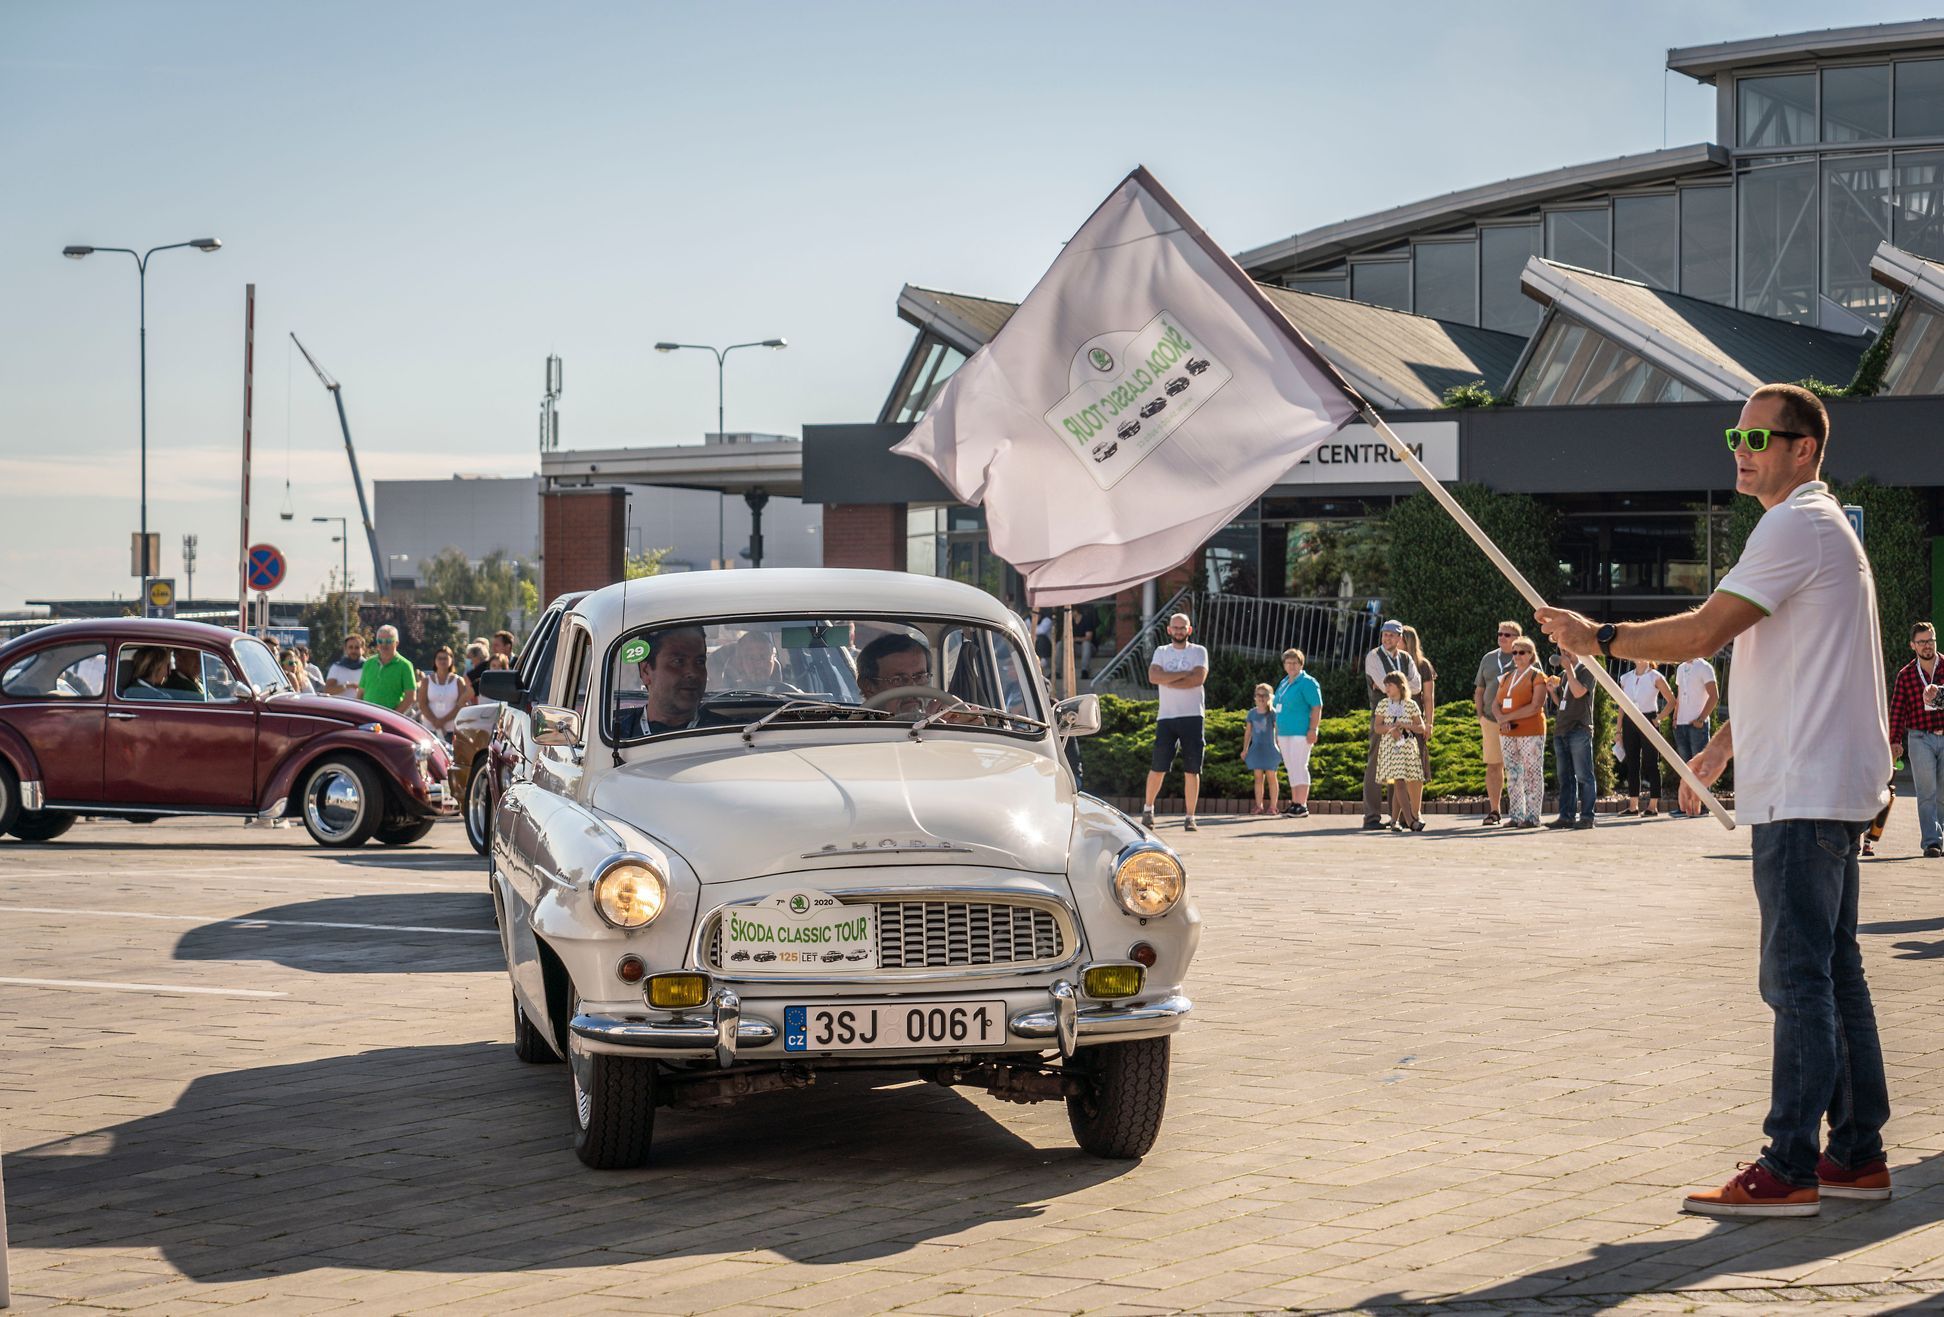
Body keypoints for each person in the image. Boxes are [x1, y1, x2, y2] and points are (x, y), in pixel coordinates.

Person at [1538, 382, 1892, 1218]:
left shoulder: (1795, 522)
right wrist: (1724, 745)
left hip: (1804, 792)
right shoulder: (1817, 525)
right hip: (1825, 783)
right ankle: (1854, 1154)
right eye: (1735, 432)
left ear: (1803, 448)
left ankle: (1788, 1166)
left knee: (1798, 977)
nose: (1741, 446)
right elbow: (1794, 655)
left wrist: (1601, 638)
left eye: (1759, 436)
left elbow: (1705, 631)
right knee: (1836, 971)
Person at [1142, 613, 1208, 832]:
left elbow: (1198, 678)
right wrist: (1183, 676)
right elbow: (1153, 677)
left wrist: (1168, 678)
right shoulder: (1161, 652)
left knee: (1192, 769)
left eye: (1183, 628)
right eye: (1175, 627)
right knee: (1158, 766)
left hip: (1193, 716)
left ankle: (1190, 817)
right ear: (1169, 630)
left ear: (1189, 630)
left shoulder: (1199, 651)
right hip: (1166, 717)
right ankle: (1148, 809)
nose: (1179, 631)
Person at [1886, 621, 1944, 858]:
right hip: (1920, 738)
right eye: (1922, 642)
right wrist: (1894, 741)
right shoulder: (1906, 675)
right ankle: (1932, 841)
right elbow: (1897, 710)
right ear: (1913, 645)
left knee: (1943, 792)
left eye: (1930, 640)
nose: (1927, 646)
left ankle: (1941, 836)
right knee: (1926, 790)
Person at [1361, 620, 1421, 830]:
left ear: (1399, 638)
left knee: (1401, 765)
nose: (1387, 638)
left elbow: (1418, 685)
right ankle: (1371, 817)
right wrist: (1402, 688)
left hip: (1403, 720)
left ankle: (1401, 816)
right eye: (1384, 634)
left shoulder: (1405, 657)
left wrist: (1394, 686)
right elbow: (1387, 685)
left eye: (1392, 635)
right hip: (1382, 716)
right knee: (1376, 763)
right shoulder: (1373, 656)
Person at [614, 626, 713, 738]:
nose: (692, 673)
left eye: (700, 662)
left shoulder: (726, 734)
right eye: (678, 661)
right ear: (646, 671)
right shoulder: (618, 736)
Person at [1495, 637, 1548, 828]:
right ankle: (1516, 815)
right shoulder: (1507, 677)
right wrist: (1501, 719)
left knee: (1532, 773)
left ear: (1531, 655)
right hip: (1507, 733)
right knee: (1513, 773)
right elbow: (1496, 704)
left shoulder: (1537, 676)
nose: (1517, 656)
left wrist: (1509, 718)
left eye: (1522, 652)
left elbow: (1535, 706)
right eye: (1515, 652)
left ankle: (1533, 817)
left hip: (1530, 731)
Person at [1473, 622, 1521, 826]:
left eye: (1507, 635)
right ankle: (1494, 811)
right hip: (1491, 720)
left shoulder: (1525, 656)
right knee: (1494, 766)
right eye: (1500, 634)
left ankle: (1520, 811)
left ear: (1517, 638)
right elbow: (1479, 689)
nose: (1502, 637)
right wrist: (1480, 716)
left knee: (1517, 767)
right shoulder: (1489, 658)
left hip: (1519, 721)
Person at [1547, 645, 1597, 830]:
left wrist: (1568, 669)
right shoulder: (1563, 675)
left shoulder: (1587, 669)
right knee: (1565, 777)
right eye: (1562, 650)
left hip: (1579, 729)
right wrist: (1552, 691)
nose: (1565, 653)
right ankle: (1566, 816)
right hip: (1562, 729)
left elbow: (1579, 693)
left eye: (1568, 649)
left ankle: (1586, 817)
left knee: (1584, 775)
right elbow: (1563, 703)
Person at [1617, 659, 1675, 817]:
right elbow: (1622, 706)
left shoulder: (1655, 677)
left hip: (1649, 720)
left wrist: (1658, 719)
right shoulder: (1626, 678)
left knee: (1651, 763)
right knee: (1632, 763)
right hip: (1630, 721)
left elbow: (1671, 701)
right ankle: (1633, 806)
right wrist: (1618, 731)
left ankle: (1653, 806)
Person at [1274, 648, 1323, 818]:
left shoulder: (1308, 682)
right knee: (1290, 767)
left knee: (1300, 765)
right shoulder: (1284, 682)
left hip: (1301, 732)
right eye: (1288, 662)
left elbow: (1317, 707)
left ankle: (1302, 804)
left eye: (1295, 662)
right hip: (1284, 732)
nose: (1291, 665)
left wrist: (1313, 729)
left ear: (1301, 664)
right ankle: (1295, 803)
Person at [1669, 652, 1721, 817]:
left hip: (1697, 726)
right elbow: (1679, 695)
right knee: (1686, 768)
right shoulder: (1681, 668)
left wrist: (1701, 719)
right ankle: (1685, 807)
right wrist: (1675, 717)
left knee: (1701, 767)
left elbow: (1714, 696)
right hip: (1681, 725)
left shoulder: (1704, 667)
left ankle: (1703, 806)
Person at [1374, 672, 1426, 832]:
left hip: (1407, 747)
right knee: (1399, 782)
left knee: (1400, 782)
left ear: (1400, 686)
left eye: (1390, 684)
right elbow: (1377, 727)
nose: (1386, 688)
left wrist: (1406, 725)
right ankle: (1410, 820)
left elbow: (1421, 727)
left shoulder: (1411, 705)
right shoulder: (1383, 704)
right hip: (1391, 748)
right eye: (1386, 685)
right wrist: (1392, 729)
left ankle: (1394, 821)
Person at [1399, 625, 1438, 826]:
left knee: (1416, 770)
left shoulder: (1423, 666)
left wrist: (1429, 723)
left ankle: (1416, 812)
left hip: (1416, 723)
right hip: (1394, 722)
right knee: (1397, 770)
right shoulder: (1392, 663)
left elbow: (1429, 698)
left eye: (1399, 639)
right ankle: (1400, 815)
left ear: (1407, 641)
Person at [1241, 683, 1281, 816]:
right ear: (1255, 697)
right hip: (1256, 749)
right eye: (1259, 695)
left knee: (1271, 777)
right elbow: (1248, 733)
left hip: (1270, 748)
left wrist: (1281, 747)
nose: (1262, 698)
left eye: (1265, 695)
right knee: (1258, 778)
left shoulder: (1273, 713)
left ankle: (1273, 807)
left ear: (1270, 697)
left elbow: (1278, 731)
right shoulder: (1251, 713)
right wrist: (1245, 749)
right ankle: (1259, 806)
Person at [359, 625, 418, 714]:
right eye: (380, 641)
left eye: (388, 641)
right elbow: (360, 693)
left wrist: (393, 716)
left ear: (396, 643)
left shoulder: (405, 666)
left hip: (390, 721)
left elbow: (411, 697)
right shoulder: (368, 663)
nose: (384, 644)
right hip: (367, 717)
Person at [417, 646, 470, 743]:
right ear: (435, 661)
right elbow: (422, 704)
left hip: (451, 729)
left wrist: (442, 721)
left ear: (451, 660)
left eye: (445, 658)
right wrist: (435, 722)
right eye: (439, 658)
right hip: (430, 728)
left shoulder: (458, 681)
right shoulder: (426, 681)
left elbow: (461, 704)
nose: (442, 661)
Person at [1073, 602, 1100, 679]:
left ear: (1076, 611)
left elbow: (1088, 637)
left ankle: (1084, 670)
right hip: (1076, 648)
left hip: (1090, 649)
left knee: (1086, 643)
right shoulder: (1070, 622)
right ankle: (1057, 671)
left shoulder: (1086, 620)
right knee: (1060, 644)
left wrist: (1075, 639)